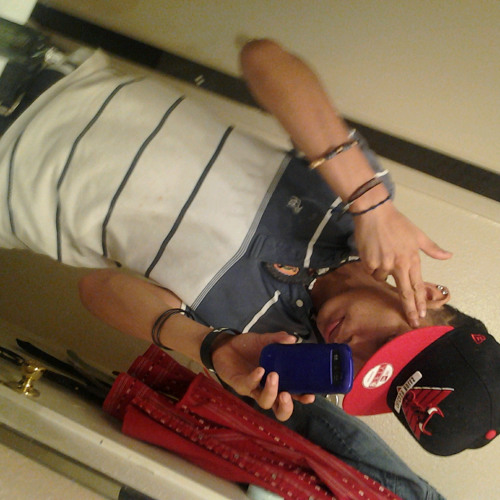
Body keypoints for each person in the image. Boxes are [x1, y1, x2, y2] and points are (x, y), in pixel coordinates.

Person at [0, 36, 498, 460]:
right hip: (44, 85)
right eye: (385, 343)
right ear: (427, 295)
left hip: (13, 204)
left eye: (369, 373)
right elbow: (263, 59)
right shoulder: (355, 204)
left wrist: (209, 346)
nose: (353, 349)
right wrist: (370, 202)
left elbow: (96, 289)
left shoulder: (265, 349)